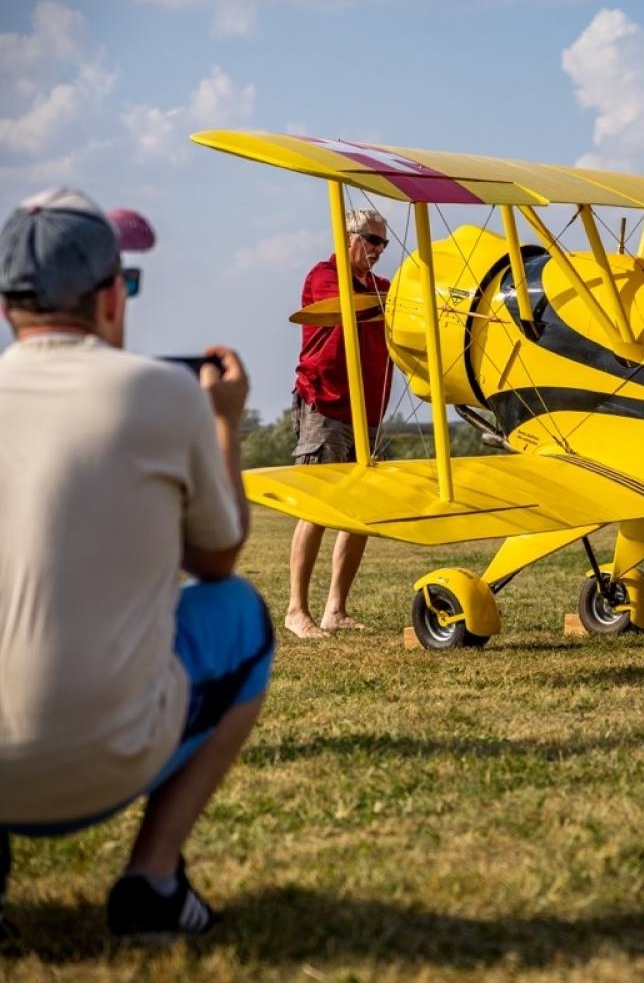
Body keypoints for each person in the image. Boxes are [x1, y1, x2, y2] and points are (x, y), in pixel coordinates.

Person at [0, 188, 272, 941]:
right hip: (111, 758)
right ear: (113, 296)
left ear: (7, 308)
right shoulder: (160, 393)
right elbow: (218, 560)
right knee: (243, 615)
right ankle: (151, 879)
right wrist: (223, 422)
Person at [283, 208, 394, 639]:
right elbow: (354, 309)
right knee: (318, 506)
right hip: (325, 402)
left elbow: (396, 304)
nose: (379, 251)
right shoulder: (324, 276)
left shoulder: (381, 289)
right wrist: (393, 302)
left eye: (383, 243)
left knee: (359, 511)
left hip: (366, 411)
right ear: (347, 236)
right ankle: (296, 610)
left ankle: (336, 609)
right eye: (371, 240)